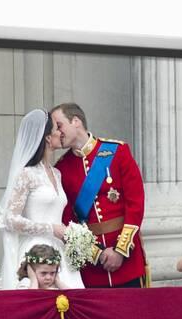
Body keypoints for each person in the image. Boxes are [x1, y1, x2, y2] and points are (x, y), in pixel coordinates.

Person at [52, 102, 147, 288]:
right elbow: (67, 219)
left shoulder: (117, 151)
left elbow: (135, 204)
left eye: (59, 125)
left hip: (127, 258)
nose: (56, 132)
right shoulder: (62, 168)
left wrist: (120, 250)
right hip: (93, 267)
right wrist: (97, 254)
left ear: (76, 121)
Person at [0, 109, 85, 290]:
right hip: (35, 250)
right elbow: (10, 218)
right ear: (47, 137)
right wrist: (51, 228)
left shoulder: (57, 173)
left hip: (60, 251)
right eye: (57, 128)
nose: (61, 132)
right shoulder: (26, 174)